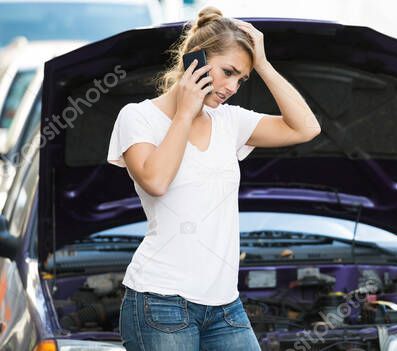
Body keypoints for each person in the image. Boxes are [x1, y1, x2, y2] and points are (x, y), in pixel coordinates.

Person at [106, 6, 320, 350]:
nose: (233, 87)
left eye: (241, 79)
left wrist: (262, 64)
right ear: (195, 60)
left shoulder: (229, 122)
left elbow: (306, 128)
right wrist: (186, 112)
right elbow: (156, 181)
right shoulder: (138, 117)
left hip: (225, 306)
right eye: (228, 72)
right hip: (160, 302)